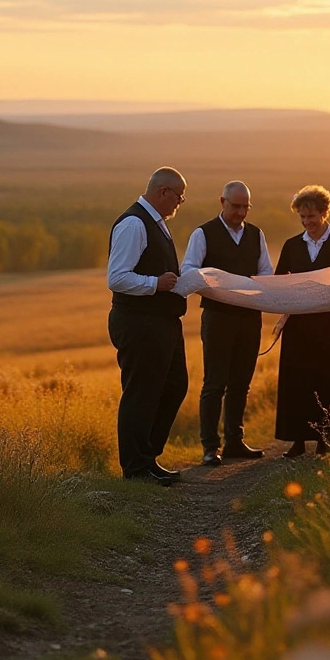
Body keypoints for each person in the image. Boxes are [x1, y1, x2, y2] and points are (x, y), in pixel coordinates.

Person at [107, 167, 190, 486]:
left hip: (161, 321)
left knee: (172, 386)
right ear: (164, 192)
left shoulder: (154, 223)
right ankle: (136, 467)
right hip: (139, 322)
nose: (179, 204)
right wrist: (156, 283)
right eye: (179, 197)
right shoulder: (133, 223)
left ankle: (147, 456)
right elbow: (116, 277)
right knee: (141, 392)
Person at [181, 181, 272, 466]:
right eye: (236, 206)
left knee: (241, 383)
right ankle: (210, 446)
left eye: (246, 207)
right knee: (214, 383)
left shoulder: (256, 235)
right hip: (218, 317)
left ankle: (234, 441)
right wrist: (219, 284)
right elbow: (188, 271)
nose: (242, 212)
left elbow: (265, 272)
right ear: (222, 202)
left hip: (249, 317)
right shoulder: (203, 233)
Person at [273, 185, 330, 457]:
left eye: (311, 216)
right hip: (298, 324)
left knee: (328, 378)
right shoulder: (291, 245)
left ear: (325, 213)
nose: (306, 222)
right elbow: (280, 279)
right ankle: (297, 440)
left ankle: (327, 437)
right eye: (302, 217)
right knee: (296, 379)